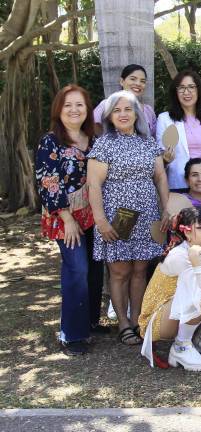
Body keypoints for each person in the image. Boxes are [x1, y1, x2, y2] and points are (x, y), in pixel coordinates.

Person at [88, 90, 170, 346]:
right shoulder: (103, 144)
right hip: (119, 216)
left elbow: (160, 178)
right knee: (120, 270)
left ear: (137, 113)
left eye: (128, 109)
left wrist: (166, 208)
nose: (123, 114)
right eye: (117, 110)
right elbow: (93, 185)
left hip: (146, 214)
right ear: (109, 116)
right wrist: (100, 220)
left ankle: (138, 319)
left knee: (140, 269)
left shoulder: (149, 143)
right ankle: (123, 322)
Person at [34, 84, 105, 356]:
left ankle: (89, 321)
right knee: (77, 269)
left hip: (94, 214)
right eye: (68, 105)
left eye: (80, 105)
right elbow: (48, 182)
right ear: (58, 110)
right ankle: (72, 335)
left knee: (96, 269)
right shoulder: (50, 141)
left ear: (87, 110)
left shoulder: (95, 140)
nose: (74, 110)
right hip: (65, 217)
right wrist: (67, 218)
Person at [138, 206, 201, 371]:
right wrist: (194, 258)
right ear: (187, 232)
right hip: (158, 320)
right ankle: (181, 347)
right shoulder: (179, 255)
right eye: (200, 227)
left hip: (176, 311)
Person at [156, 69, 201, 220]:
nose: (186, 92)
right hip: (179, 187)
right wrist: (165, 159)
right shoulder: (165, 119)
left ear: (199, 90)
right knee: (181, 235)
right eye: (181, 88)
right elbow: (159, 156)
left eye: (191, 87)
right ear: (175, 92)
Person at [93, 64, 157, 136]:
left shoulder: (148, 110)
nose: (138, 83)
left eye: (142, 81)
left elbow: (154, 136)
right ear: (122, 81)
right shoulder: (107, 104)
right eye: (133, 79)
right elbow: (94, 125)